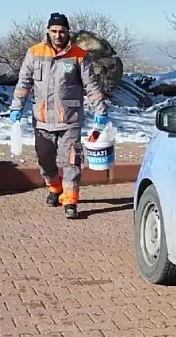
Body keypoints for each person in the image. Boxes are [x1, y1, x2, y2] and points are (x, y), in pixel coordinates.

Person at [10, 12, 108, 219]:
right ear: (48, 31)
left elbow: (92, 86)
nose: (58, 35)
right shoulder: (34, 52)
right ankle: (55, 187)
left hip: (70, 120)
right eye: (54, 31)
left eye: (62, 31)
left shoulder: (79, 55)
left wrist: (100, 110)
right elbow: (24, 83)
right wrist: (16, 107)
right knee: (45, 160)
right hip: (42, 120)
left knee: (71, 161)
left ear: (67, 32)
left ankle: (70, 201)